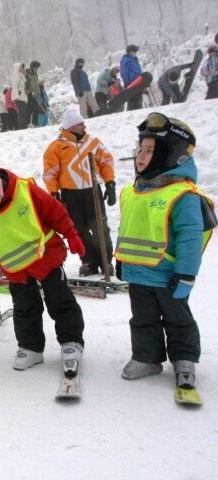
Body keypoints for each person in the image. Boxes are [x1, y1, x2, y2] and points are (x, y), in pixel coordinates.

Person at [115, 112, 215, 389]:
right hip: (138, 275)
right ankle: (147, 357)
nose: (141, 156)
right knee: (142, 319)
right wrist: (120, 259)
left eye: (150, 150)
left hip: (168, 276)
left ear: (173, 155)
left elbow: (190, 236)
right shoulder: (132, 191)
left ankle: (184, 359)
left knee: (177, 319)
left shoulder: (183, 194)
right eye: (141, 149)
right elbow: (127, 229)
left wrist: (186, 273)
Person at [0, 157, 86, 371]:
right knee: (24, 308)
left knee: (60, 301)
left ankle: (71, 341)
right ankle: (31, 347)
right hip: (16, 269)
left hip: (46, 257)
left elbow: (55, 211)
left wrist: (71, 234)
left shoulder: (25, 190)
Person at [42, 107, 116, 277]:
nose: (84, 126)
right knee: (78, 229)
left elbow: (106, 162)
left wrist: (110, 183)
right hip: (71, 194)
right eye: (80, 123)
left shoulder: (93, 143)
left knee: (99, 227)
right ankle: (88, 261)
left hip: (92, 191)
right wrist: (54, 193)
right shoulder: (57, 147)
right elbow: (50, 172)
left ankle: (106, 261)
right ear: (71, 126)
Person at [121, 44, 143, 110]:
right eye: (135, 52)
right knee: (132, 103)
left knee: (138, 101)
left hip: (137, 83)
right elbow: (123, 72)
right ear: (131, 52)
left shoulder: (134, 60)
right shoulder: (126, 60)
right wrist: (126, 82)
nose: (136, 53)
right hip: (131, 84)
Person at [12, 63, 28, 130]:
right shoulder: (16, 75)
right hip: (19, 97)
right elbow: (14, 86)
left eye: (23, 68)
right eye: (21, 67)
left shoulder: (21, 76)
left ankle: (24, 126)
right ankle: (21, 127)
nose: (23, 69)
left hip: (22, 96)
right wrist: (16, 96)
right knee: (21, 112)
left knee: (23, 112)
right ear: (18, 68)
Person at [26, 60, 41, 126]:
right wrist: (28, 92)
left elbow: (36, 84)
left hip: (35, 94)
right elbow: (25, 85)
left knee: (36, 109)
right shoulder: (27, 74)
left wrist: (38, 92)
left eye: (37, 68)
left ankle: (35, 123)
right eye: (35, 68)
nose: (36, 69)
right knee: (29, 109)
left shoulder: (36, 75)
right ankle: (27, 123)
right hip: (29, 94)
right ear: (32, 67)